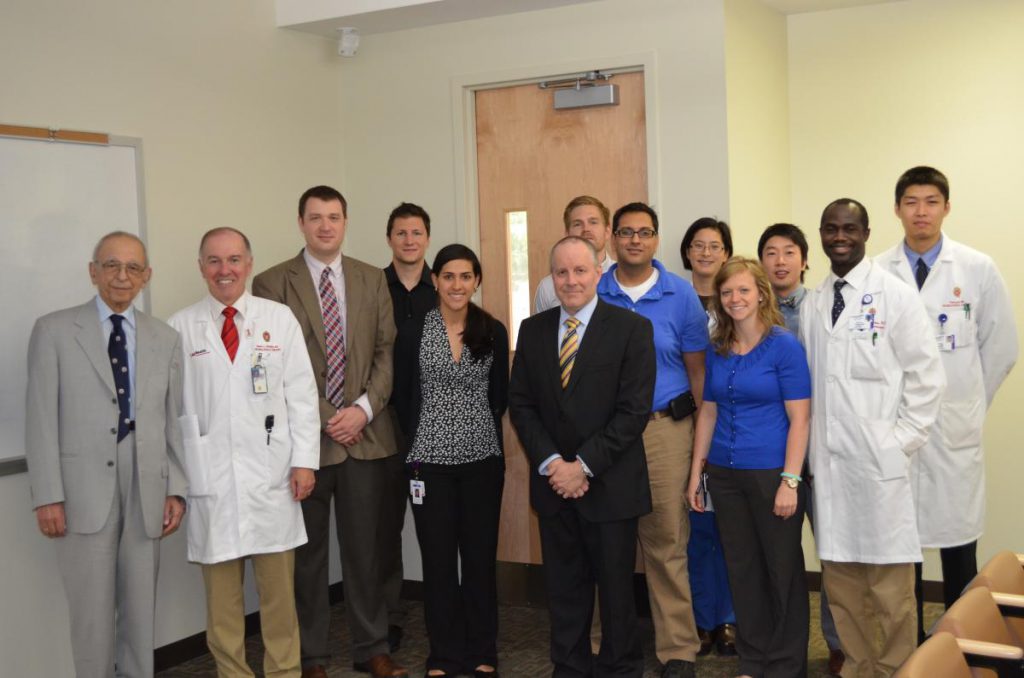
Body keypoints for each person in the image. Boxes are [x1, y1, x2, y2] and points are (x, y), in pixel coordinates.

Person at [252, 186, 406, 678]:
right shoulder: (272, 282)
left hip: (366, 437)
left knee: (368, 553)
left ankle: (372, 648)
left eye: (334, 217)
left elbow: (387, 350)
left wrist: (361, 409)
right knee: (307, 557)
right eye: (315, 217)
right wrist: (325, 415)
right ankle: (311, 656)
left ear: (345, 222)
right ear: (300, 222)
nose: (325, 226)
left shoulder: (369, 278)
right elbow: (271, 364)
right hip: (304, 444)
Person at [25, 231, 186, 678]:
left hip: (146, 489)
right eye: (111, 265)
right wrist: (47, 495)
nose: (122, 276)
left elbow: (172, 421)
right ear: (93, 271)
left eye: (133, 268)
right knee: (92, 617)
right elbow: (39, 419)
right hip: (81, 494)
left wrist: (176, 488)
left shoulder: (164, 337)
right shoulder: (54, 330)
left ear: (146, 276)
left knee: (140, 611)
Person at [801, 198, 944, 676]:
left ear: (865, 232)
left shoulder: (895, 295)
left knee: (891, 593)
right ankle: (859, 668)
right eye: (830, 228)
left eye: (849, 228)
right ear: (820, 235)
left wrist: (899, 441)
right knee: (841, 589)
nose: (839, 237)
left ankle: (900, 669)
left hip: (881, 466)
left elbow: (926, 376)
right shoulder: (815, 303)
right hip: (833, 470)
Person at [168, 227, 320, 677]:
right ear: (201, 268)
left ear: (249, 265)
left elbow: (302, 394)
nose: (224, 270)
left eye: (233, 260)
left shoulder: (278, 319)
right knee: (222, 607)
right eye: (214, 261)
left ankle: (284, 672)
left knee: (278, 600)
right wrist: (178, 480)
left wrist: (305, 462)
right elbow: (171, 412)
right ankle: (232, 673)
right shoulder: (180, 327)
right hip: (210, 482)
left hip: (272, 479)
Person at [876, 166, 1018, 640]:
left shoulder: (976, 268)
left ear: (946, 207)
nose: (921, 211)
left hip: (953, 427)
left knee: (959, 546)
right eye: (911, 202)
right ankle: (912, 647)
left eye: (931, 201)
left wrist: (969, 404)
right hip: (898, 426)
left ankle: (966, 644)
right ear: (897, 209)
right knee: (904, 546)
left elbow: (1000, 348)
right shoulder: (878, 272)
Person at [509, 235, 655, 678]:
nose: (570, 281)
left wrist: (583, 466)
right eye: (561, 272)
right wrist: (554, 464)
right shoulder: (532, 330)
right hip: (554, 487)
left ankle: (620, 668)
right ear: (551, 278)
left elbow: (633, 412)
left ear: (598, 273)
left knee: (615, 593)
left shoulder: (631, 329)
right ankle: (568, 667)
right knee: (565, 590)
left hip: (609, 485)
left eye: (579, 271)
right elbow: (522, 405)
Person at [596, 202, 708, 678]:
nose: (635, 240)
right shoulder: (593, 290)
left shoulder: (680, 296)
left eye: (644, 233)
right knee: (607, 542)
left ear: (657, 240)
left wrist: (705, 447)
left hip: (666, 430)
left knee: (666, 540)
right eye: (626, 232)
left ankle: (678, 649)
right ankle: (603, 643)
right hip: (606, 437)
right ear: (613, 239)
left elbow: (698, 374)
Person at [686, 257, 812, 678]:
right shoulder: (717, 346)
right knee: (742, 571)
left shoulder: (784, 345)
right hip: (724, 474)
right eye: (727, 292)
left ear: (761, 293)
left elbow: (801, 418)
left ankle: (786, 666)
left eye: (743, 290)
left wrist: (790, 482)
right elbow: (708, 411)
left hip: (772, 474)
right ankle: (755, 661)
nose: (735, 299)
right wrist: (695, 473)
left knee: (782, 572)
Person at [392, 244, 508, 677]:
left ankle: (483, 650)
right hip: (429, 465)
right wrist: (424, 440)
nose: (456, 285)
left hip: (482, 462)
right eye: (448, 276)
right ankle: (443, 654)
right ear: (435, 280)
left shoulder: (492, 329)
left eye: (465, 276)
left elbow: (500, 395)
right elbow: (403, 396)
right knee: (438, 562)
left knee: (479, 559)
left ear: (477, 280)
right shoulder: (414, 331)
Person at [758, 223, 845, 675]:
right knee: (781, 560)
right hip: (774, 455)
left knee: (831, 553)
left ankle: (836, 641)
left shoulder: (823, 307)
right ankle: (783, 645)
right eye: (770, 253)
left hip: (822, 453)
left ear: (805, 260)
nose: (780, 261)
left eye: (789, 252)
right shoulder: (751, 317)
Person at [679, 217, 737, 656]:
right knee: (696, 527)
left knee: (730, 529)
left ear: (726, 253)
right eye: (697, 245)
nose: (704, 253)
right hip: (685, 426)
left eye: (714, 246)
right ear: (686, 253)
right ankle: (701, 619)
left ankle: (731, 620)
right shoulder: (676, 300)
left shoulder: (737, 301)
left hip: (731, 425)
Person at [381, 201, 437, 652]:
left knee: (437, 524)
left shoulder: (446, 286)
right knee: (384, 526)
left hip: (437, 427)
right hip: (385, 426)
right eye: (401, 233)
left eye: (417, 232)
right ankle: (388, 617)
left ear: (427, 239)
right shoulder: (370, 287)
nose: (409, 240)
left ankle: (444, 610)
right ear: (389, 239)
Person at [533, 195, 616, 313]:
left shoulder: (622, 278)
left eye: (593, 222)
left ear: (607, 231)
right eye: (577, 224)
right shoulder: (548, 286)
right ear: (567, 233)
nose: (586, 229)